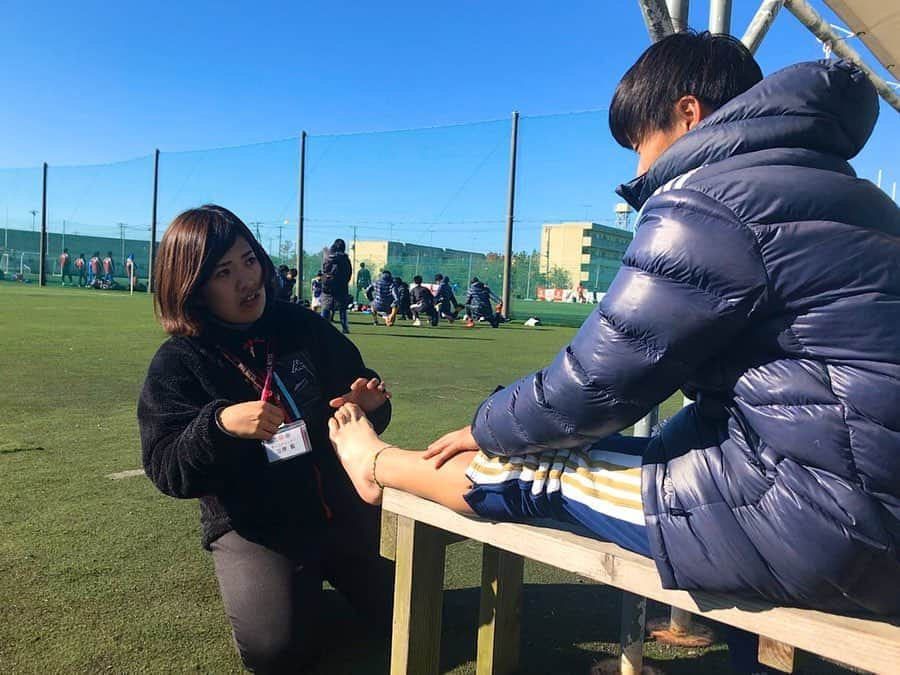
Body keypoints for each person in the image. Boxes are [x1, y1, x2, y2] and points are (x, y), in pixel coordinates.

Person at [327, 33, 900, 672]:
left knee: (530, 470)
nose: (635, 169)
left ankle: (375, 463)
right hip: (868, 503)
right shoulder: (857, 197)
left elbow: (596, 382)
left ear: (688, 114)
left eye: (637, 142)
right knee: (638, 454)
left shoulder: (712, 196)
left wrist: (488, 428)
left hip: (818, 520)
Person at [137, 205, 395, 673]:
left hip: (340, 504)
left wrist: (369, 404)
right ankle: (297, 596)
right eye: (224, 272)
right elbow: (164, 466)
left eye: (249, 260)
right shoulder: (179, 361)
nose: (246, 281)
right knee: (276, 650)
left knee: (407, 615)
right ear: (192, 286)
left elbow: (362, 388)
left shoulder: (302, 325)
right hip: (258, 525)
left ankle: (323, 585)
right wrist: (218, 426)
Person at [320, 239, 352, 334]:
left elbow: (324, 269)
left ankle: (321, 326)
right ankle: (345, 327)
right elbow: (349, 273)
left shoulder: (328, 257)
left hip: (328, 286)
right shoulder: (345, 259)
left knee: (325, 307)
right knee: (342, 309)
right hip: (341, 286)